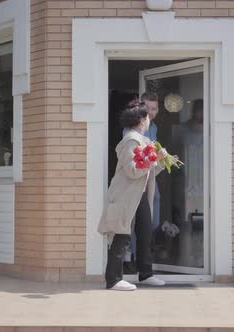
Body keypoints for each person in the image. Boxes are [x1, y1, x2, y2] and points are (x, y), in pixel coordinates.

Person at [98, 99, 168, 291]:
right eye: (147, 116)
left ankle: (145, 274)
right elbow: (132, 170)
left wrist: (162, 161)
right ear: (141, 119)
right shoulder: (130, 140)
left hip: (139, 195)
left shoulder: (142, 140)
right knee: (122, 235)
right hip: (127, 196)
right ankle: (113, 279)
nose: (149, 119)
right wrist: (155, 158)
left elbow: (148, 170)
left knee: (145, 233)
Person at [122, 92, 161, 269]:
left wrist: (162, 159)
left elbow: (152, 155)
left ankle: (142, 260)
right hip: (136, 180)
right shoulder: (130, 134)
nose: (152, 112)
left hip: (150, 179)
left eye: (154, 108)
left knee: (151, 221)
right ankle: (130, 257)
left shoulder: (153, 128)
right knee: (131, 222)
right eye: (148, 108)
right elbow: (132, 163)